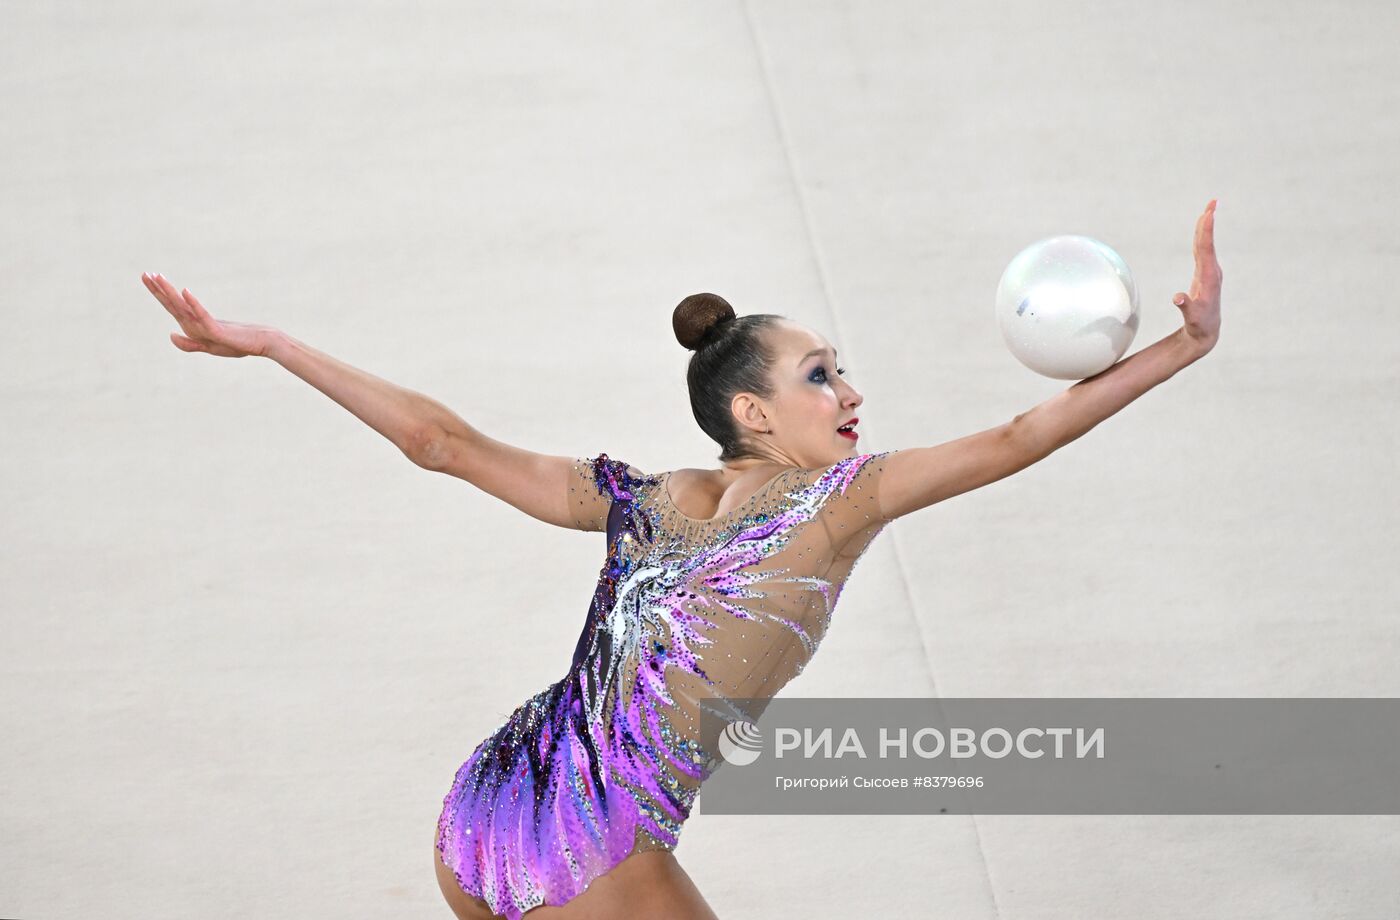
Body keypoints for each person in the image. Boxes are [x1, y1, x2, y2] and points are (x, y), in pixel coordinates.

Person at [138, 200, 1221, 919]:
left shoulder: (638, 499)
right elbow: (1018, 438)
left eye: (842, 371)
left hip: (483, 801)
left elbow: (442, 445)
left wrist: (277, 344)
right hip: (593, 842)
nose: (849, 393)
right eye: (820, 374)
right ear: (751, 408)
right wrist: (1182, 345)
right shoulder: (838, 503)